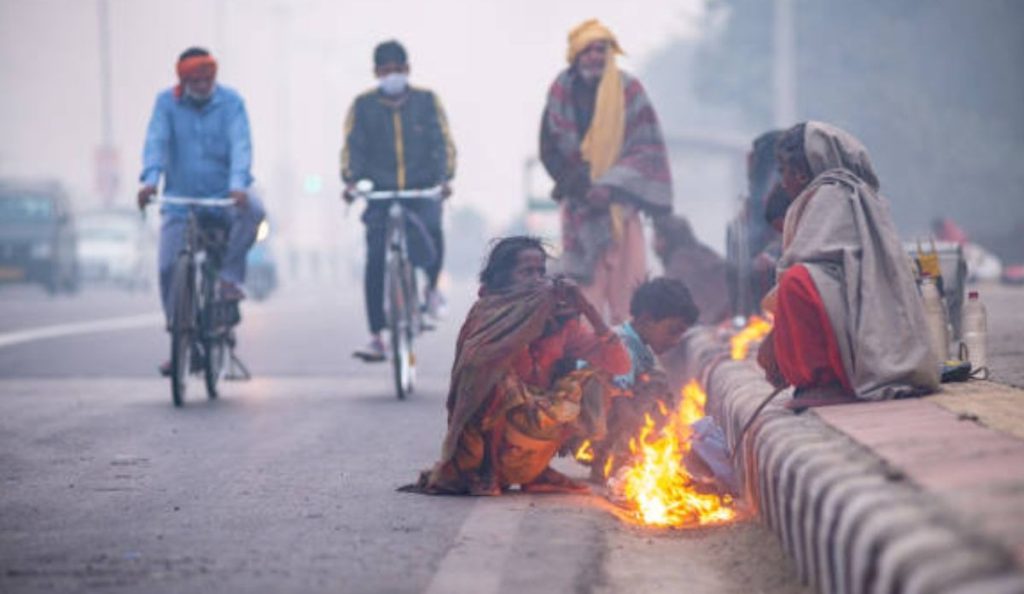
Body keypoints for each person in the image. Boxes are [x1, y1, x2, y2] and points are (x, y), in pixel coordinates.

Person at [410, 237, 631, 496]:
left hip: (539, 429)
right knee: (495, 376)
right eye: (527, 272)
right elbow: (471, 380)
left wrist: (587, 308)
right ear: (503, 279)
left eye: (541, 272)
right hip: (488, 439)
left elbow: (620, 365)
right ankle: (487, 472)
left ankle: (538, 470)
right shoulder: (488, 315)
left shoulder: (560, 319)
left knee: (597, 379)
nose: (537, 279)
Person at [757, 122, 940, 406]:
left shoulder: (832, 194)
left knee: (796, 283)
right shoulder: (846, 192)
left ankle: (825, 381)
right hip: (852, 315)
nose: (782, 183)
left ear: (802, 172)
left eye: (784, 172)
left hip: (855, 327)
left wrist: (773, 343)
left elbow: (803, 269)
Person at [137, 47, 264, 376]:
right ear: (183, 79)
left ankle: (229, 278)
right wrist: (150, 181)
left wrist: (238, 184)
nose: (204, 84)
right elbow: (157, 143)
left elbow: (241, 145)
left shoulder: (231, 103)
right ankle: (182, 340)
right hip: (180, 202)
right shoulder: (167, 104)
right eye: (197, 79)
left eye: (209, 78)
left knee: (255, 211)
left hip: (224, 198)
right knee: (168, 267)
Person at [539, 19, 673, 325]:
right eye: (587, 50)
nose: (595, 56)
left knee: (630, 295)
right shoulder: (560, 91)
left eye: (601, 49)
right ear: (576, 55)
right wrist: (585, 188)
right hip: (579, 211)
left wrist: (611, 186)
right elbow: (550, 151)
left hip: (622, 210)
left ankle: (629, 366)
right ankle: (588, 367)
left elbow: (647, 147)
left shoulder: (630, 90)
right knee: (583, 298)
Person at [341, 40, 457, 362]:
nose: (392, 75)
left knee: (432, 228)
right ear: (376, 73)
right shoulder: (363, 107)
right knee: (375, 257)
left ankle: (431, 290)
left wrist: (445, 178)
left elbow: (443, 142)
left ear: (407, 69)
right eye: (385, 70)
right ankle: (376, 334)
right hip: (380, 193)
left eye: (398, 69)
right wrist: (351, 181)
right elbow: (353, 148)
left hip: (420, 191)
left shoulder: (427, 102)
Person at [585, 277, 699, 481]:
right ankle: (613, 462)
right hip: (586, 426)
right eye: (672, 331)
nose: (675, 341)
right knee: (653, 389)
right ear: (646, 320)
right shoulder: (624, 346)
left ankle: (612, 458)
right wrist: (649, 442)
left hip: (598, 420)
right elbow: (622, 407)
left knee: (657, 385)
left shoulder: (638, 346)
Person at [653, 215, 731, 325]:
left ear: (665, 240)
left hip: (708, 326)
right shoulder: (706, 253)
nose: (652, 244)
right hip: (726, 318)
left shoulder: (678, 267)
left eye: (656, 238)